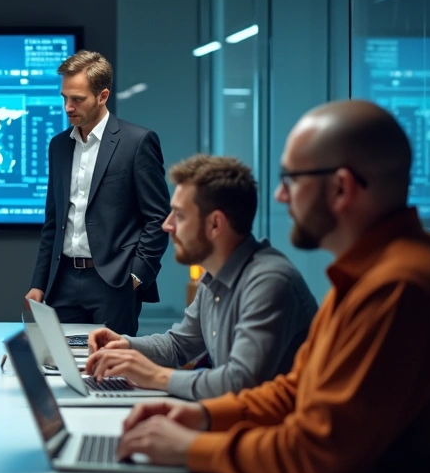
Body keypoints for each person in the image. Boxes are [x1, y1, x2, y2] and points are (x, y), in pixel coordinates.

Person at [114, 101, 430, 473]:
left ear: (341, 188)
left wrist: (190, 447)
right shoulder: (369, 275)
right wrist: (204, 416)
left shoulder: (401, 286)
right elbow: (294, 391)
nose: (279, 195)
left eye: (291, 179)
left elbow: (312, 454)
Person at [83, 155, 317, 400]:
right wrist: (125, 345)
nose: (167, 225)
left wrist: (153, 376)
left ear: (216, 224)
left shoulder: (269, 282)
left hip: (265, 432)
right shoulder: (215, 276)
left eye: (180, 216)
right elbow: (177, 346)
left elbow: (240, 382)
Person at [25, 50, 169, 336]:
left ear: (103, 96)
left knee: (111, 372)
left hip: (114, 281)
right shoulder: (58, 146)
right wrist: (39, 283)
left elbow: (159, 218)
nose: (68, 107)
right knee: (58, 367)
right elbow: (53, 221)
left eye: (77, 99)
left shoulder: (137, 142)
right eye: (64, 97)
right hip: (62, 280)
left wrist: (136, 275)